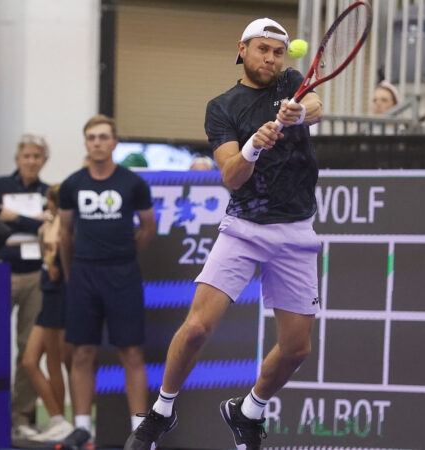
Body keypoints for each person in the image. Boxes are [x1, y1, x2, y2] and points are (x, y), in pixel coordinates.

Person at [124, 17, 323, 450]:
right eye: (261, 49)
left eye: (276, 51)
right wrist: (255, 143)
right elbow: (232, 176)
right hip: (246, 228)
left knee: (296, 349)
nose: (270, 58)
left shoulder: (290, 80)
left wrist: (298, 111)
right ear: (242, 49)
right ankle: (161, 411)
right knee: (197, 327)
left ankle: (248, 410)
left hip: (297, 230)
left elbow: (318, 106)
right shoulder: (223, 106)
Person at [57, 114, 157, 449]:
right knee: (82, 352)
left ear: (114, 142)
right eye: (91, 138)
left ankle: (140, 432)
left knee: (131, 351)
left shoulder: (133, 184)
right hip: (84, 275)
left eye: (103, 137)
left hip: (123, 274)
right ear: (86, 144)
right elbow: (64, 234)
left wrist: (126, 255)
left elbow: (148, 227)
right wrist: (72, 274)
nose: (97, 143)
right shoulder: (72, 185)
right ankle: (83, 428)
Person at [0, 134, 51, 440]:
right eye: (26, 156)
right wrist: (33, 221)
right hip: (0, 272)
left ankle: (21, 417)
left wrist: (20, 219)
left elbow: (48, 226)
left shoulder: (49, 192)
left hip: (35, 276)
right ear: (17, 159)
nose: (31, 161)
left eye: (37, 156)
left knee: (29, 349)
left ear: (44, 160)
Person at [22, 184, 75, 443]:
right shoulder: (47, 226)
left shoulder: (61, 227)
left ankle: (64, 422)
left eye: (49, 202)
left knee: (56, 361)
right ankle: (58, 419)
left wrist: (50, 249)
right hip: (48, 294)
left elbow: (55, 264)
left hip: (57, 293)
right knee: (30, 361)